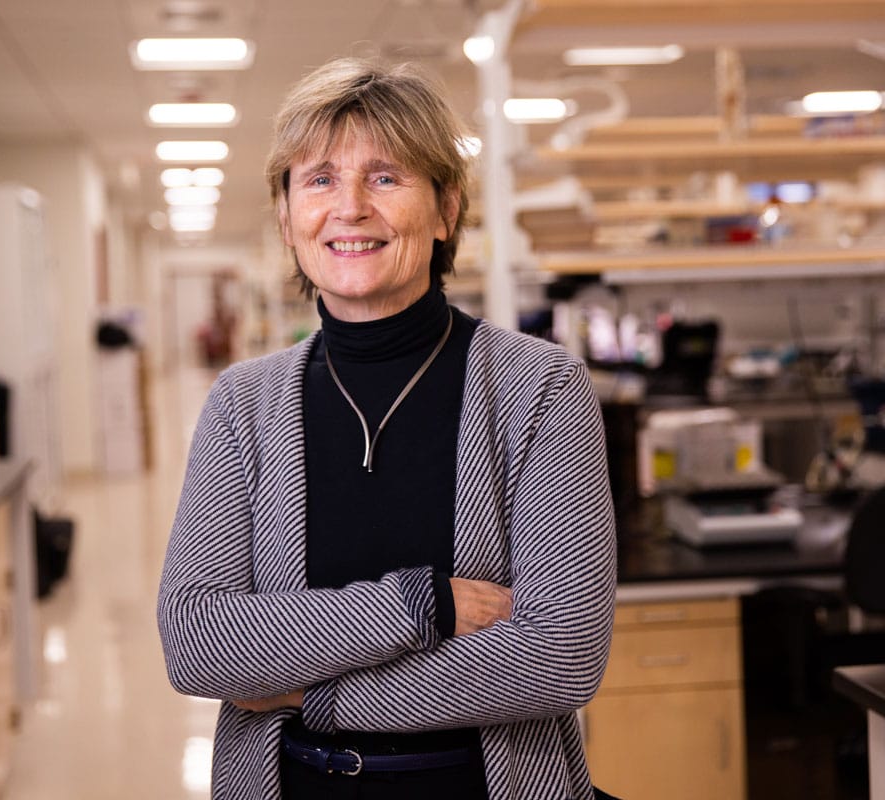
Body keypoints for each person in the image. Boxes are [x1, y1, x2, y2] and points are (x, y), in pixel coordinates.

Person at [157, 57, 617, 800]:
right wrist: (421, 607)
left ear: (445, 210)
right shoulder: (242, 405)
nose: (350, 208)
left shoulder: (539, 389)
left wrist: (315, 693)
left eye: (385, 176)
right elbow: (199, 642)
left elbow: (561, 653)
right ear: (286, 216)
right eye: (318, 180)